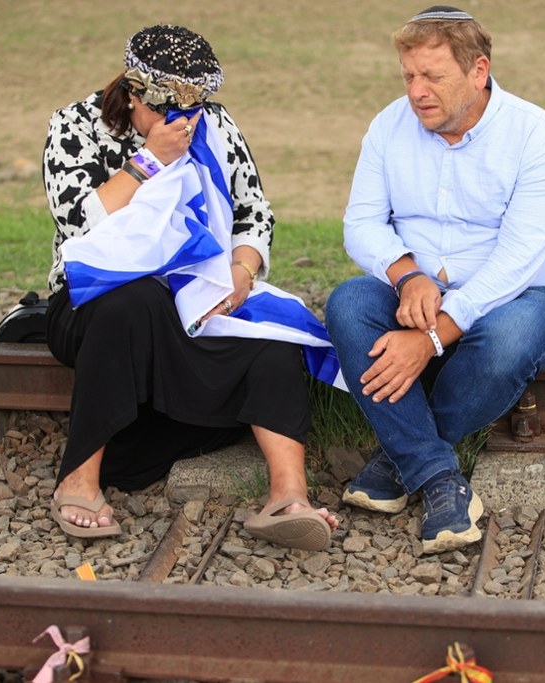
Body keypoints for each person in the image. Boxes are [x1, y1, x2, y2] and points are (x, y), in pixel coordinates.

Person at [42, 24, 337, 550]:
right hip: (96, 298)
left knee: (272, 340)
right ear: (133, 94)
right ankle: (78, 480)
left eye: (194, 109)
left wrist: (241, 274)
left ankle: (288, 499)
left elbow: (254, 214)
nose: (185, 123)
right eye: (169, 111)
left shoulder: (215, 124)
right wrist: (149, 160)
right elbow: (78, 226)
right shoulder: (75, 125)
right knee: (133, 300)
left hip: (195, 294)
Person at [325, 6, 545, 554]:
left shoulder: (536, 135)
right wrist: (407, 275)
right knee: (348, 303)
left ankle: (397, 463)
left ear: (478, 70)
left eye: (433, 76)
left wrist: (433, 337)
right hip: (415, 292)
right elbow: (361, 225)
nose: (417, 92)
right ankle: (439, 476)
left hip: (520, 297)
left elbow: (518, 259)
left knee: (507, 340)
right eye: (409, 76)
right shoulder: (389, 125)